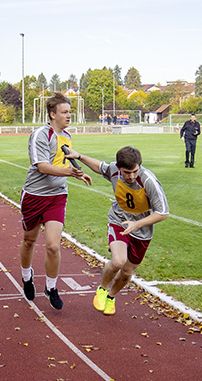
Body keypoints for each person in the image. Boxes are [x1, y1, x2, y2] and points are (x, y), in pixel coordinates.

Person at [62, 144, 169, 316]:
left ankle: (111, 297)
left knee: (127, 273)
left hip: (141, 230)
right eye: (127, 173)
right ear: (119, 168)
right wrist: (80, 156)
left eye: (135, 171)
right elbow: (100, 166)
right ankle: (103, 289)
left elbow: (163, 213)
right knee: (118, 261)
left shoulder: (148, 181)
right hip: (119, 220)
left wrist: (138, 224)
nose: (132, 176)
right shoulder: (114, 170)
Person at [20, 92, 91, 309]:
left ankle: (51, 287)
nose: (69, 116)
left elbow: (64, 159)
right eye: (65, 112)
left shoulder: (67, 136)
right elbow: (42, 166)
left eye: (70, 112)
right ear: (52, 114)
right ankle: (26, 275)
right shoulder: (40, 135)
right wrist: (69, 173)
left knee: (52, 245)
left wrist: (79, 172)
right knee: (29, 240)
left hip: (57, 196)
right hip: (34, 195)